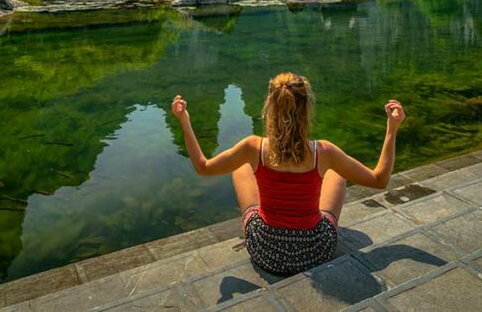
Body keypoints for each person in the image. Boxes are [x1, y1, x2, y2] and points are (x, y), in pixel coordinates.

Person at [170, 72, 405, 275]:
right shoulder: (323, 152)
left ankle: (272, 211)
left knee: (242, 166)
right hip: (315, 251)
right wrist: (391, 129)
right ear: (306, 109)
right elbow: (379, 179)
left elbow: (203, 167)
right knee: (336, 172)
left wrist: (184, 121)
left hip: (266, 251)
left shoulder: (254, 147)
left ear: (269, 107)